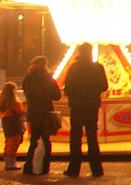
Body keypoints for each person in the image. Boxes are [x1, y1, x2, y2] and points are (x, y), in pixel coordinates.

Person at [63, 43, 109, 178]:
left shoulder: (74, 68)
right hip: (92, 105)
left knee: (76, 137)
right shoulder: (97, 68)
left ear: (79, 52)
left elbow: (68, 88)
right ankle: (96, 168)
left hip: (77, 106)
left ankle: (74, 168)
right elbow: (104, 86)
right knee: (92, 137)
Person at [21, 55, 61, 176]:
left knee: (34, 140)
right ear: (44, 66)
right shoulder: (47, 78)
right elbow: (57, 96)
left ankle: (29, 165)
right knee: (45, 140)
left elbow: (26, 92)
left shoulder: (28, 78)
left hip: (33, 113)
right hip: (45, 113)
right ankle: (44, 166)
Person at [0, 81, 25, 171]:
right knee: (14, 143)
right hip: (15, 124)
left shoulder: (1, 102)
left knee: (8, 142)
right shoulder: (14, 103)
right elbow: (21, 112)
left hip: (6, 123)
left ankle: (8, 161)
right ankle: (11, 163)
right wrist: (24, 105)